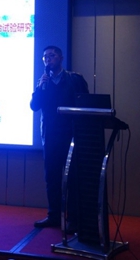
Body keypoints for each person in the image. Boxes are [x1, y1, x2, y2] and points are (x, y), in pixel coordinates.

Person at [30, 45, 89, 229]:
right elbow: (34, 106)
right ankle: (54, 216)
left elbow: (86, 103)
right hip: (50, 137)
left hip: (71, 136)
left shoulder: (74, 79)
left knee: (73, 178)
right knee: (52, 178)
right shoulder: (43, 82)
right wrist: (40, 87)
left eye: (52, 55)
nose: (48, 59)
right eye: (45, 57)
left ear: (61, 58)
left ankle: (73, 219)